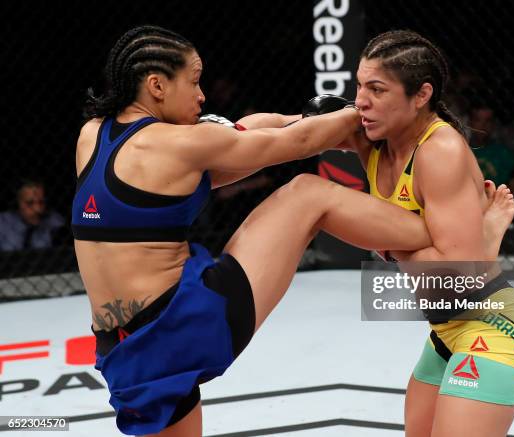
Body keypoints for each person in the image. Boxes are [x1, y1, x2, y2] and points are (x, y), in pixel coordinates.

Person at [72, 25, 457, 437]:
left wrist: (300, 119)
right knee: (307, 194)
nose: (202, 95)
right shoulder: (179, 144)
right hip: (183, 324)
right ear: (157, 86)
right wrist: (358, 112)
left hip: (125, 348)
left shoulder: (92, 134)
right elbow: (296, 144)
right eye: (194, 81)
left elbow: (238, 138)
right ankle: (441, 233)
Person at [343, 30, 514, 437]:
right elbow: (286, 130)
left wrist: (384, 238)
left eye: (376, 89)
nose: (361, 100)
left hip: (495, 324)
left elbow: (456, 274)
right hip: (445, 329)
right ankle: (483, 239)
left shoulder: (440, 151)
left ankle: (483, 240)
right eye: (359, 86)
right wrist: (224, 131)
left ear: (421, 95)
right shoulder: (373, 132)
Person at [0, 179, 65, 251]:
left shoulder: (53, 221)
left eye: (41, 202)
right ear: (17, 203)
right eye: (30, 203)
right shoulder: (3, 223)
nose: (37, 209)